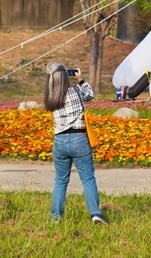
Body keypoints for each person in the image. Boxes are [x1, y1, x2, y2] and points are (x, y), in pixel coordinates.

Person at [43, 62, 107, 224]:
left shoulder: (49, 97)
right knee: (87, 179)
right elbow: (90, 95)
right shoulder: (76, 91)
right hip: (79, 139)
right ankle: (95, 214)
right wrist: (81, 79)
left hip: (59, 141)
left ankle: (56, 218)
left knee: (60, 180)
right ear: (66, 77)